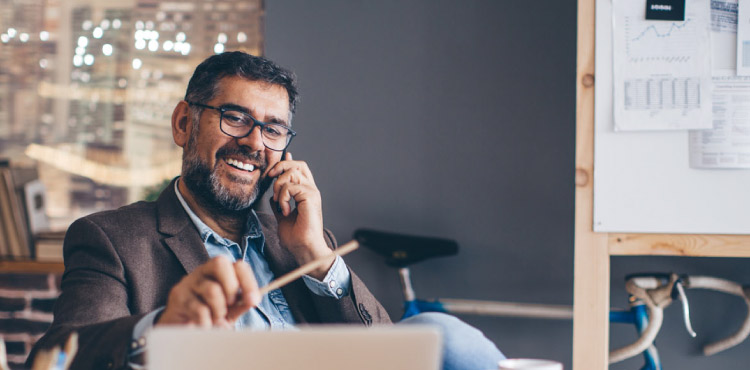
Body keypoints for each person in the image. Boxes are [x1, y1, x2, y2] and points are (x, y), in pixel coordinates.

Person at [29, 51, 503, 370]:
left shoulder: (297, 241)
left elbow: (387, 347)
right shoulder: (112, 238)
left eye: (273, 129)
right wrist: (164, 328)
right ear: (183, 123)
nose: (255, 143)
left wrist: (317, 255)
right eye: (235, 118)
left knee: (437, 331)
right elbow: (57, 357)